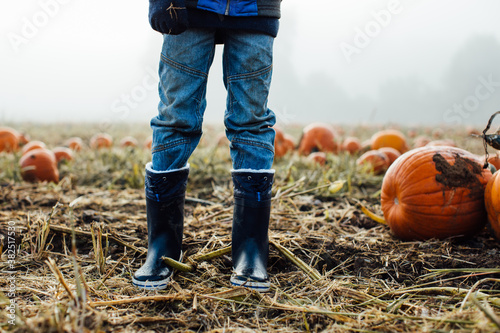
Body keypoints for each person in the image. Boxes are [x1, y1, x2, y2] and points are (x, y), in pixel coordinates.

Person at [132, 0, 282, 292]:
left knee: (252, 120)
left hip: (255, 8)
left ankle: (251, 249)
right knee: (175, 117)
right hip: (186, 6)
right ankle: (162, 246)